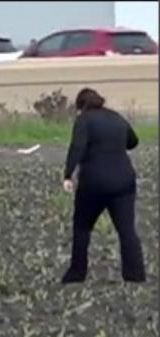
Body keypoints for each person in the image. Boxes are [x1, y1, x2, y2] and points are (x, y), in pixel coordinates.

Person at [61, 87, 145, 284]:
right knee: (126, 230)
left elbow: (77, 147)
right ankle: (135, 275)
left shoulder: (84, 120)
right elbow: (133, 141)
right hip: (123, 181)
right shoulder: (116, 118)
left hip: (94, 183)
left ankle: (77, 273)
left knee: (82, 227)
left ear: (81, 106)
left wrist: (68, 175)